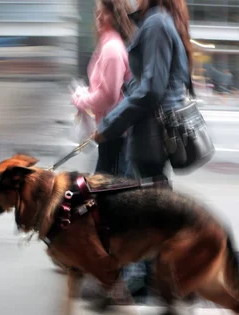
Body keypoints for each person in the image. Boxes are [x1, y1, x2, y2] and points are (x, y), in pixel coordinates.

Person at [91, 0, 195, 307]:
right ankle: (165, 278)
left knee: (146, 211)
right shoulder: (156, 22)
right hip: (149, 133)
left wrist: (110, 123)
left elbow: (151, 89)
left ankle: (158, 278)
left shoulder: (155, 24)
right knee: (153, 208)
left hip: (151, 134)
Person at [71, 0, 135, 177]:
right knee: (108, 190)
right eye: (97, 12)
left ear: (116, 17)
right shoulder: (108, 44)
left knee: (109, 191)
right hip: (112, 131)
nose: (98, 17)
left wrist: (80, 100)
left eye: (104, 13)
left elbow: (109, 97)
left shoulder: (112, 48)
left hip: (115, 133)